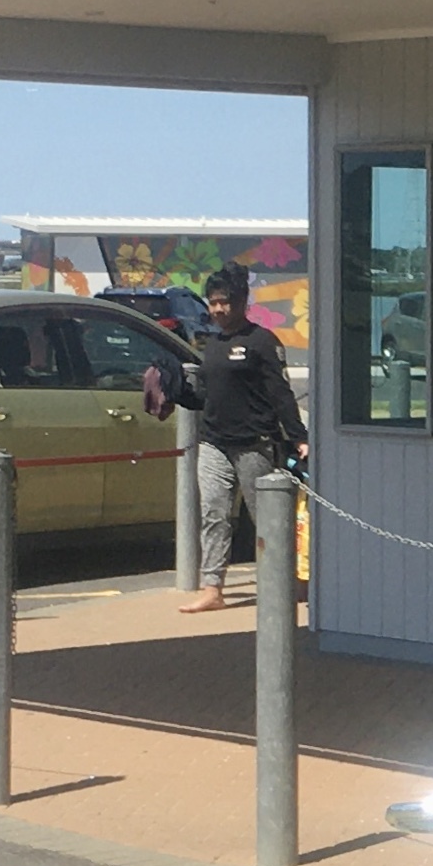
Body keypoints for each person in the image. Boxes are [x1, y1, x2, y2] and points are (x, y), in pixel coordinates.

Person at [146, 263, 307, 613]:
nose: (218, 309)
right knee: (214, 515)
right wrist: (179, 392)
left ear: (242, 301)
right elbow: (209, 395)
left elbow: (281, 394)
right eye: (213, 302)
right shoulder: (213, 343)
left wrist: (298, 437)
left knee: (267, 518)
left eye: (224, 302)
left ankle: (287, 582)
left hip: (254, 443)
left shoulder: (262, 341)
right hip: (214, 442)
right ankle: (213, 589)